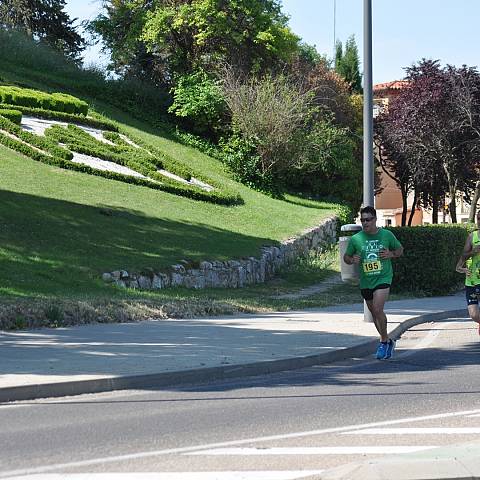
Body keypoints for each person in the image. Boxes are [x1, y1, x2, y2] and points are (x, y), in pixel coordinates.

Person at [344, 206, 404, 360]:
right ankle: (387, 340)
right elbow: (346, 257)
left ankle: (383, 342)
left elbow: (400, 250)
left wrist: (390, 254)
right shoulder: (356, 239)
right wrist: (352, 260)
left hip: (383, 277)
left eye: (368, 219)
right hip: (366, 281)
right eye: (363, 220)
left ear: (375, 219)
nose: (365, 223)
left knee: (378, 309)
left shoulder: (386, 235)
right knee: (374, 313)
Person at [455, 209, 480, 335]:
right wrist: (460, 266)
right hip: (471, 279)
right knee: (474, 314)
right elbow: (464, 254)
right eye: (479, 219)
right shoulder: (472, 236)